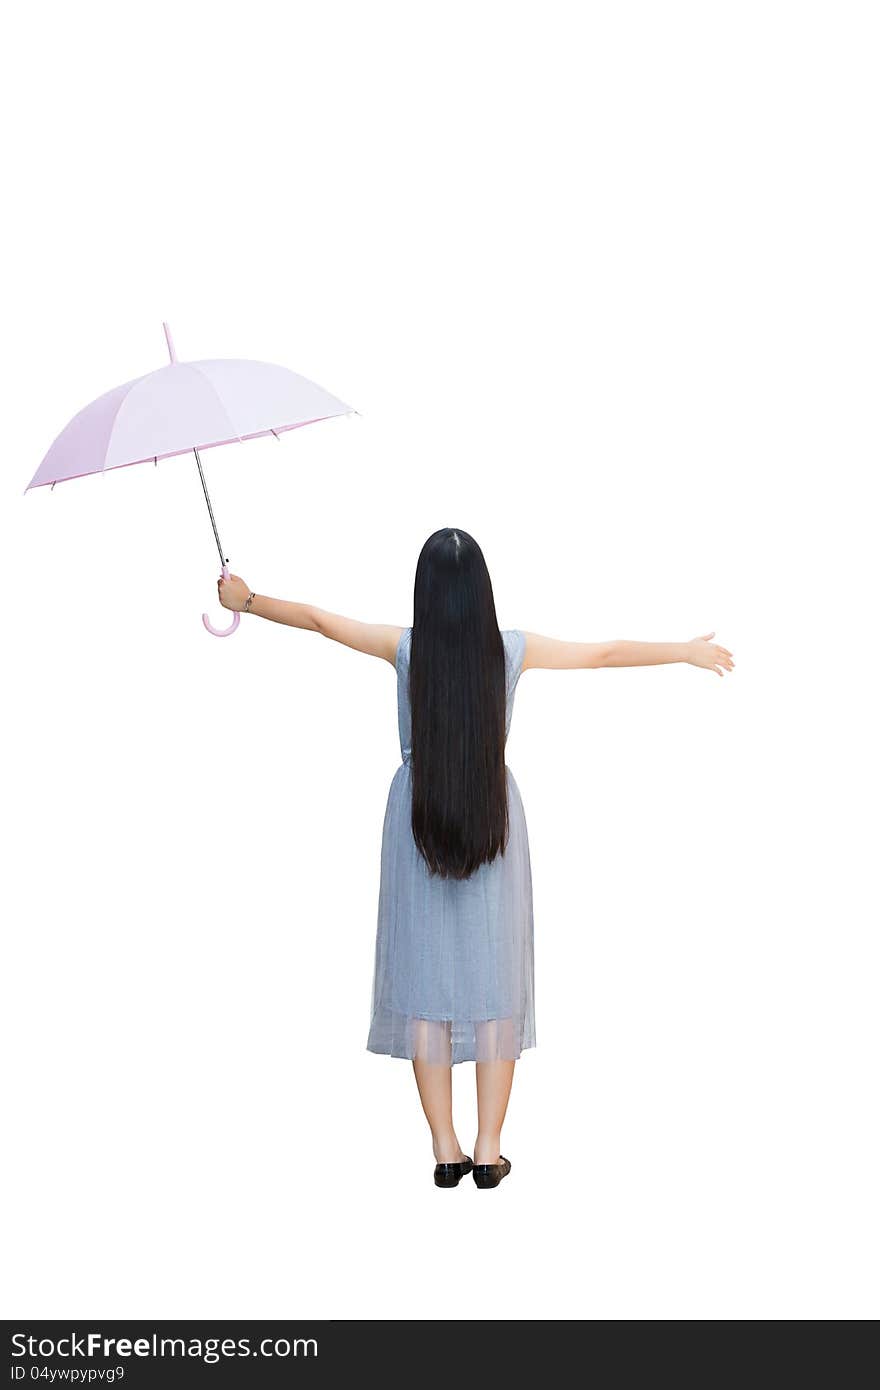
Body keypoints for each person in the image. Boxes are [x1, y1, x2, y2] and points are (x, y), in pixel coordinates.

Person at [219, 527, 734, 1189]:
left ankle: (445, 1148)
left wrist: (248, 599)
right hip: (493, 816)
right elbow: (603, 652)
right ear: (482, 591)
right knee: (495, 981)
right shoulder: (510, 650)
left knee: (425, 980)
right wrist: (685, 651)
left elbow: (320, 621)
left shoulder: (404, 648)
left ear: (425, 594)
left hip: (418, 819)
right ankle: (489, 1150)